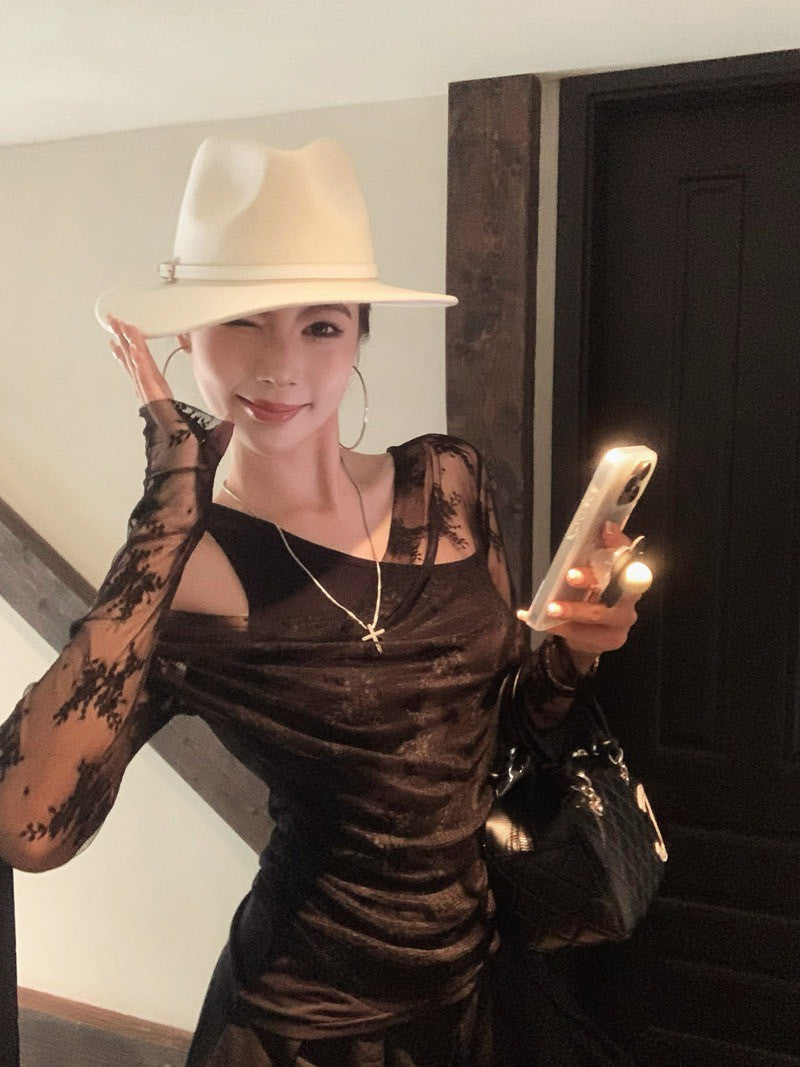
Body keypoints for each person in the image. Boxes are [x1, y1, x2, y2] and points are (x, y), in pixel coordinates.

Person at [0, 136, 643, 1065]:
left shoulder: (449, 483)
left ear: (360, 338)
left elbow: (498, 732)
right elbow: (28, 824)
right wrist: (168, 504)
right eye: (243, 321)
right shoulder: (185, 569)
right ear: (186, 339)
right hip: (300, 1024)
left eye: (322, 327)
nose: (281, 365)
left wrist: (576, 648)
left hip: (476, 988)